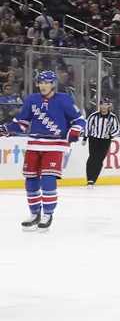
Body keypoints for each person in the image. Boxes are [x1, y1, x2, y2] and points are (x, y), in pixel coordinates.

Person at [2, 71, 85, 231]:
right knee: (30, 181)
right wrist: (4, 129)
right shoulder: (31, 100)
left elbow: (80, 119)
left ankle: (48, 213)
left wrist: (75, 130)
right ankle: (34, 214)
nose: (43, 86)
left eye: (46, 82)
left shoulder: (64, 99)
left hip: (56, 145)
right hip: (34, 144)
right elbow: (21, 124)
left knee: (48, 179)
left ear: (53, 84)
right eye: (40, 83)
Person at [84, 97, 120, 186]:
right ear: (99, 105)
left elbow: (117, 129)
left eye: (106, 104)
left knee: (100, 159)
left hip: (105, 141)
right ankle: (90, 179)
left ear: (108, 106)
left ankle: (94, 178)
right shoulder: (94, 116)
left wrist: (111, 135)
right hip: (94, 139)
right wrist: (85, 138)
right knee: (92, 158)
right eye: (102, 104)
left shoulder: (112, 117)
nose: (104, 106)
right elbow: (87, 126)